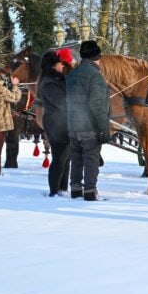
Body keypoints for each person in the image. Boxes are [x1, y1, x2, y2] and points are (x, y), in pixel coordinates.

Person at [66, 40, 110, 201]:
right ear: (96, 58)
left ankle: (76, 189)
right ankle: (90, 192)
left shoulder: (72, 74)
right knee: (91, 158)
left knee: (76, 159)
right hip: (89, 126)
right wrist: (104, 128)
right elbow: (97, 105)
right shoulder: (95, 76)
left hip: (73, 125)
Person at [38, 49, 72, 197]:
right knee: (59, 157)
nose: (62, 66)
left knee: (66, 158)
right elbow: (62, 102)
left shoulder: (58, 79)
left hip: (63, 121)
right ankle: (54, 190)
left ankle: (62, 188)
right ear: (53, 65)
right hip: (55, 123)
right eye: (60, 63)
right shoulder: (48, 83)